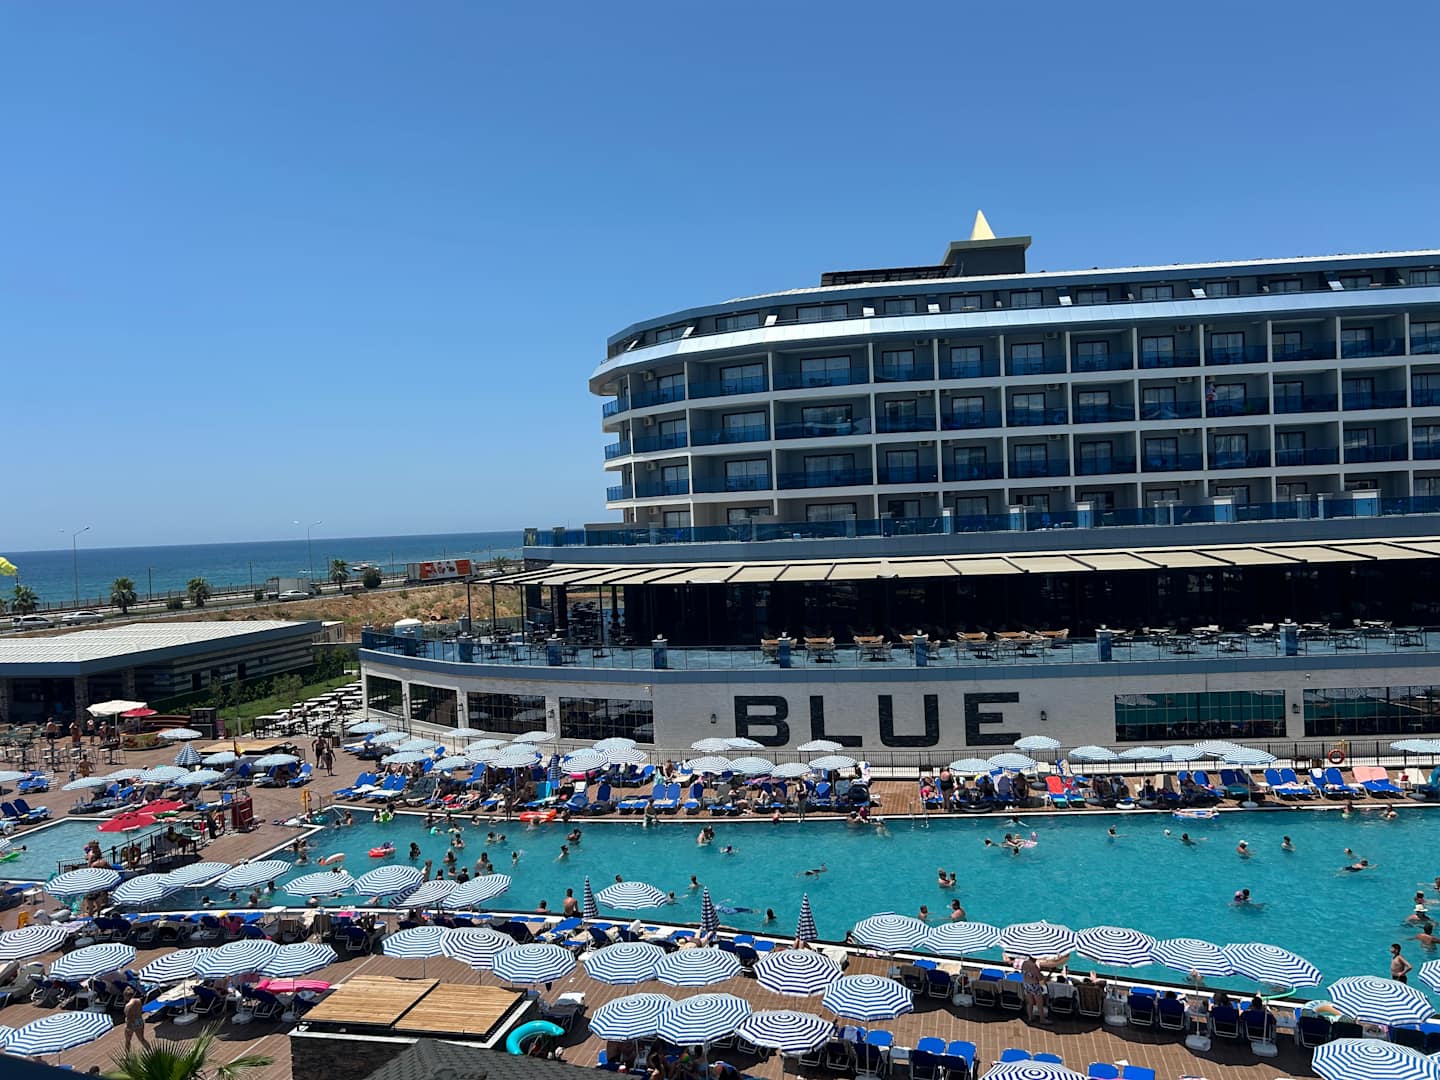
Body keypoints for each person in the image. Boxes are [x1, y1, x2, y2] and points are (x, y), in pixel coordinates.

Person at [1020, 956, 1049, 1023]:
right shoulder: (1033, 966)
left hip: (1026, 984)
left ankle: (1030, 1017)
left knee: (1030, 1002)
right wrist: (1044, 977)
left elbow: (1024, 973)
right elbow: (1039, 978)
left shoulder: (1024, 963)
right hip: (1034, 985)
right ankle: (1042, 1019)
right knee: (1039, 1003)